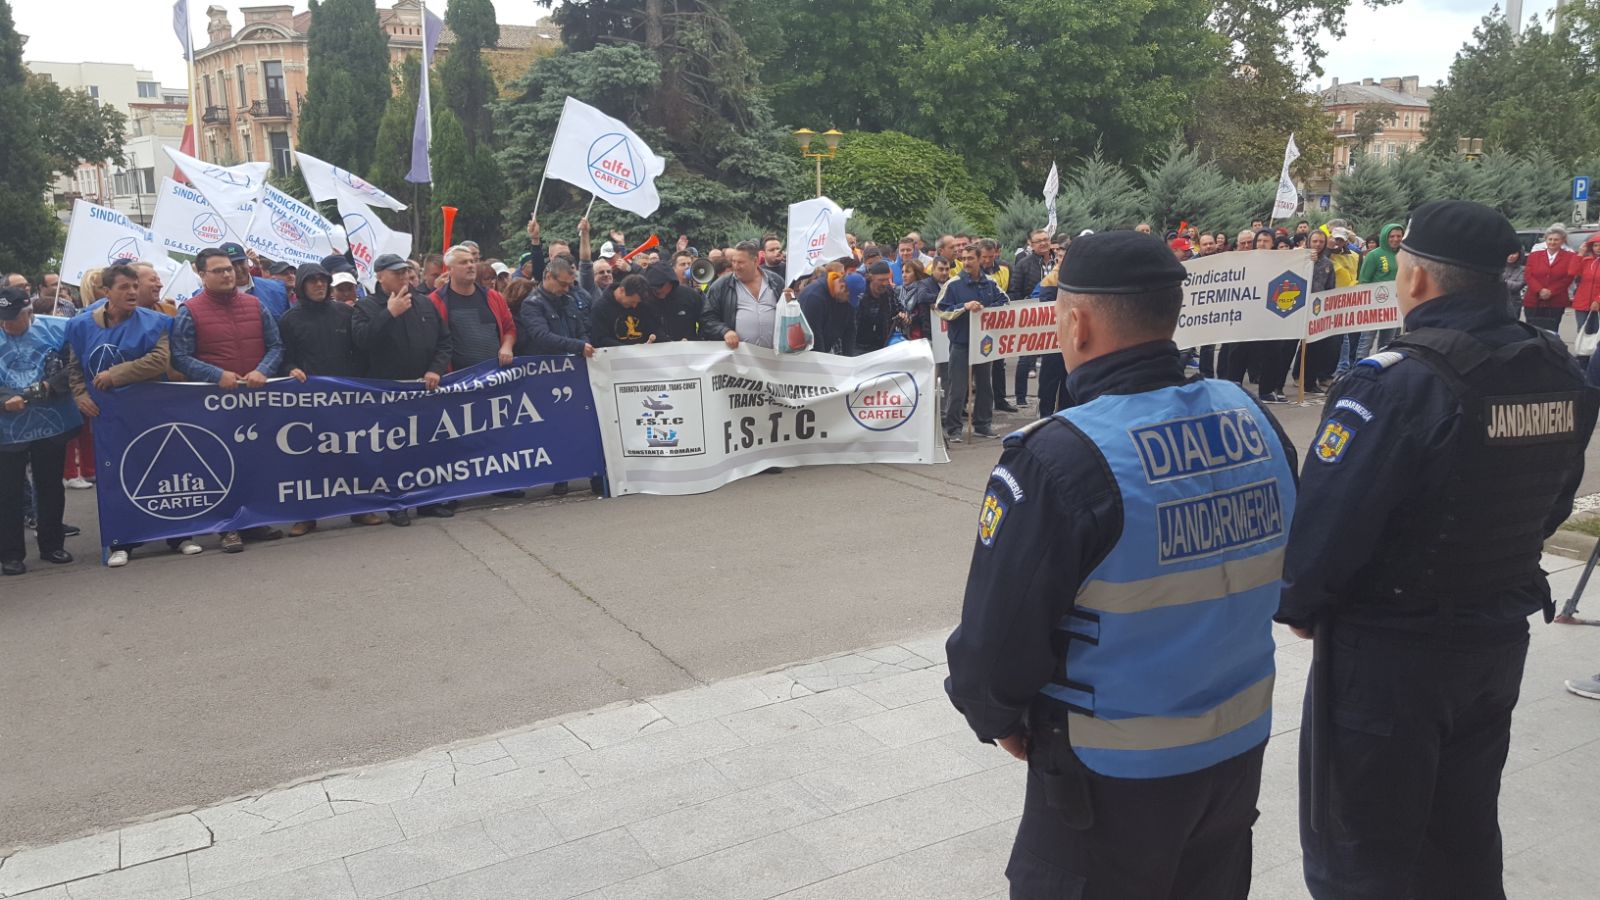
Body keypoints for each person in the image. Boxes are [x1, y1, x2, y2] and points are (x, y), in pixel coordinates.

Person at [946, 230, 1298, 899]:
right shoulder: (1252, 416)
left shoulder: (1062, 455)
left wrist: (998, 718)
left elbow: (997, 638)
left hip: (1107, 776)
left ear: (1076, 322)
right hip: (1234, 752)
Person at [1277, 200, 1597, 899]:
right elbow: (1550, 502)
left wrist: (1301, 603)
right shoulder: (1554, 367)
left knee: (1361, 856)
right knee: (1462, 841)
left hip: (1392, 655)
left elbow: (1328, 527)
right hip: (1495, 638)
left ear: (1416, 278)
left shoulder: (1396, 381)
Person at [62, 265, 198, 565]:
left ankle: (180, 535)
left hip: (152, 410)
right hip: (109, 415)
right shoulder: (81, 325)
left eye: (135, 286)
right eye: (124, 287)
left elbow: (159, 360)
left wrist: (115, 374)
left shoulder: (156, 322)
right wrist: (81, 395)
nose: (133, 292)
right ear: (106, 292)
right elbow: (75, 366)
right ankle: (123, 541)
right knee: (120, 474)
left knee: (167, 470)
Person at [278, 263, 384, 537]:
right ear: (301, 285)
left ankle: (361, 507)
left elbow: (361, 351)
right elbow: (284, 357)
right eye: (312, 280)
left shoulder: (344, 313)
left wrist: (357, 382)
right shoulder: (289, 319)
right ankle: (307, 515)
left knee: (353, 454)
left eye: (323, 280)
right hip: (308, 402)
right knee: (309, 460)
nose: (319, 285)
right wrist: (291, 369)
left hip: (346, 398)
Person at [353, 254, 452, 525]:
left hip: (424, 389)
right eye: (396, 273)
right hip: (388, 393)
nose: (403, 276)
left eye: (405, 271)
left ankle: (428, 501)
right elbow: (362, 341)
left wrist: (436, 369)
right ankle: (397, 503)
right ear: (380, 276)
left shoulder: (424, 302)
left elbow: (444, 342)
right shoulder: (366, 307)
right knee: (394, 451)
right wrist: (389, 314)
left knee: (427, 447)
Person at [0, 287, 83, 575]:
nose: (7, 324)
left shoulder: (58, 329)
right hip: (6, 430)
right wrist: (3, 400)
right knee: (7, 492)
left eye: (14, 317)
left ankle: (52, 544)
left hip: (50, 422)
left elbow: (75, 366)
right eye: (3, 318)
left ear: (29, 313)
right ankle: (10, 554)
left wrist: (48, 386)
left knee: (49, 487)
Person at [937, 244, 1009, 442]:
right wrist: (964, 307)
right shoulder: (953, 284)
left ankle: (983, 425)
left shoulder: (990, 283)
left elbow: (1005, 302)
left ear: (980, 260)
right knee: (957, 388)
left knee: (985, 386)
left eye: (971, 258)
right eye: (964, 258)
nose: (966, 262)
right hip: (961, 343)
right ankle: (953, 429)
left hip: (984, 343)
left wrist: (987, 309)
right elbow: (941, 310)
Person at [428, 246, 516, 372]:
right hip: (458, 378)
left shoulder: (494, 297)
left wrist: (507, 346)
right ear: (450, 269)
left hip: (494, 375)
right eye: (463, 262)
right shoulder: (435, 301)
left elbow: (509, 328)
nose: (470, 265)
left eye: (472, 261)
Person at [701, 241, 786, 349]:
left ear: (755, 261)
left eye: (740, 262)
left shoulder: (775, 281)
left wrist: (790, 302)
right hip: (738, 356)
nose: (736, 266)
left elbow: (788, 315)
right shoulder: (721, 286)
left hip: (773, 356)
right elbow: (707, 318)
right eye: (733, 261)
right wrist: (725, 331)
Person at [1009, 229, 1052, 406]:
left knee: (1051, 360)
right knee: (1026, 358)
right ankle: (1020, 398)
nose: (1043, 243)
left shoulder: (1059, 262)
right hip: (1031, 317)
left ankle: (1046, 398)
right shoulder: (1023, 264)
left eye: (1045, 239)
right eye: (1038, 241)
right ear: (1031, 244)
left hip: (1054, 317)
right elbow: (1014, 291)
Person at [1353, 223, 1404, 359]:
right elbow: (1364, 280)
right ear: (1385, 237)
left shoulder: (1404, 255)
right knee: (1366, 342)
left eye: (1398, 236)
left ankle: (1380, 369)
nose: (1395, 239)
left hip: (1393, 306)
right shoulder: (1374, 255)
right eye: (1391, 236)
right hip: (1373, 306)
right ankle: (1359, 368)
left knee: (1387, 343)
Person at [795, 263, 861, 355]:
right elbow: (813, 334)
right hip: (805, 350)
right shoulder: (814, 297)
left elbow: (850, 329)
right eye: (848, 298)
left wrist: (849, 358)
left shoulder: (845, 296)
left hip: (827, 345)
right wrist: (823, 360)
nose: (848, 301)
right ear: (842, 287)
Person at [1523, 224, 1578, 332]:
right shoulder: (1534, 255)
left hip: (1556, 301)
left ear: (1562, 241)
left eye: (1556, 240)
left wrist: (1551, 291)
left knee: (1551, 332)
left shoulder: (1570, 256)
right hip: (1533, 300)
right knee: (1532, 331)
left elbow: (1569, 277)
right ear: (1546, 240)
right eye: (1550, 239)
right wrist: (1540, 290)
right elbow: (1528, 275)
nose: (1552, 242)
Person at [218, 243, 288, 319]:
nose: (238, 269)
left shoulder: (276, 289)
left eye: (241, 262)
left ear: (247, 262)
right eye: (232, 265)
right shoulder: (215, 297)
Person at [590, 274, 660, 348]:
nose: (634, 306)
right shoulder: (601, 308)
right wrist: (629, 349)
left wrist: (654, 336)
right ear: (622, 290)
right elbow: (600, 339)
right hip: (614, 352)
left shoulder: (642, 304)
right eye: (632, 301)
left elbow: (654, 328)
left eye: (637, 302)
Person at [642, 262, 702, 341]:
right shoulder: (646, 301)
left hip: (688, 345)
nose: (656, 290)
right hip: (656, 346)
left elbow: (706, 320)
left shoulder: (689, 295)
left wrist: (697, 341)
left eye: (660, 286)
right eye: (652, 288)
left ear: (669, 282)